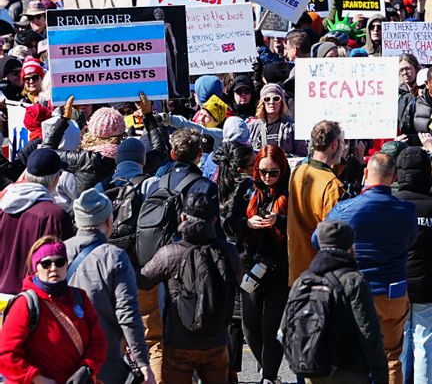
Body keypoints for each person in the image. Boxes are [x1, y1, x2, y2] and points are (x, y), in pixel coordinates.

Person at [322, 153, 418, 384]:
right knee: (391, 356)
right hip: (393, 293)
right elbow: (411, 240)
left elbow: (319, 239)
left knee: (354, 359)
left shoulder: (345, 209)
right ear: (393, 177)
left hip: (356, 293)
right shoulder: (406, 211)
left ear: (366, 174)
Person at [139, 191, 242, 384]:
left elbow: (143, 280)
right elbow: (240, 280)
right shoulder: (228, 251)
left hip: (179, 342)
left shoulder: (170, 254)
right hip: (217, 341)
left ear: (183, 218)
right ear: (214, 220)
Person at [66, 188, 155, 384]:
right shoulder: (115, 257)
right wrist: (142, 362)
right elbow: (128, 313)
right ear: (108, 221)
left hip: (62, 357)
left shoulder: (58, 252)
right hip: (104, 361)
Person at [292, 219, 389, 384]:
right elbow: (369, 333)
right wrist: (381, 375)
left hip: (313, 371)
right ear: (350, 247)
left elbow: (286, 330)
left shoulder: (303, 281)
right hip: (349, 371)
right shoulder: (354, 281)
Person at [224, 145, 290, 384]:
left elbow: (302, 223)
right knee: (250, 329)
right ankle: (265, 367)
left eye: (273, 172)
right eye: (263, 171)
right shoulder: (247, 189)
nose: (268, 177)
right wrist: (247, 223)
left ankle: (269, 377)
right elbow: (229, 223)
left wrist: (279, 220)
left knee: (271, 327)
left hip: (280, 268)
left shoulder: (289, 189)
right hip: (250, 267)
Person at [0, 236, 106, 383]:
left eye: (59, 262)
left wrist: (86, 368)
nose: (53, 268)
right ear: (35, 268)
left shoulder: (79, 297)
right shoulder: (25, 303)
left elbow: (98, 341)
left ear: (66, 265)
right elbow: (5, 354)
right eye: (46, 263)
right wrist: (37, 379)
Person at [392, 145, 432, 384]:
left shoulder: (391, 203)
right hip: (430, 282)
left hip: (398, 282)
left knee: (399, 344)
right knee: (425, 344)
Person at [0, 148, 73, 295]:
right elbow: (59, 268)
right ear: (55, 179)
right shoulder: (55, 216)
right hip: (33, 301)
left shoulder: (3, 203)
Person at [288, 120, 348, 285]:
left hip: (297, 268)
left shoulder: (298, 171)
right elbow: (333, 235)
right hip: (320, 274)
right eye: (343, 142)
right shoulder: (333, 186)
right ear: (334, 144)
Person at [247, 83, 308, 158]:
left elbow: (302, 154)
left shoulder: (292, 126)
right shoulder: (252, 126)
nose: (271, 102)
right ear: (263, 103)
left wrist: (286, 157)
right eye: (267, 99)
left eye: (276, 99)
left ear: (282, 102)